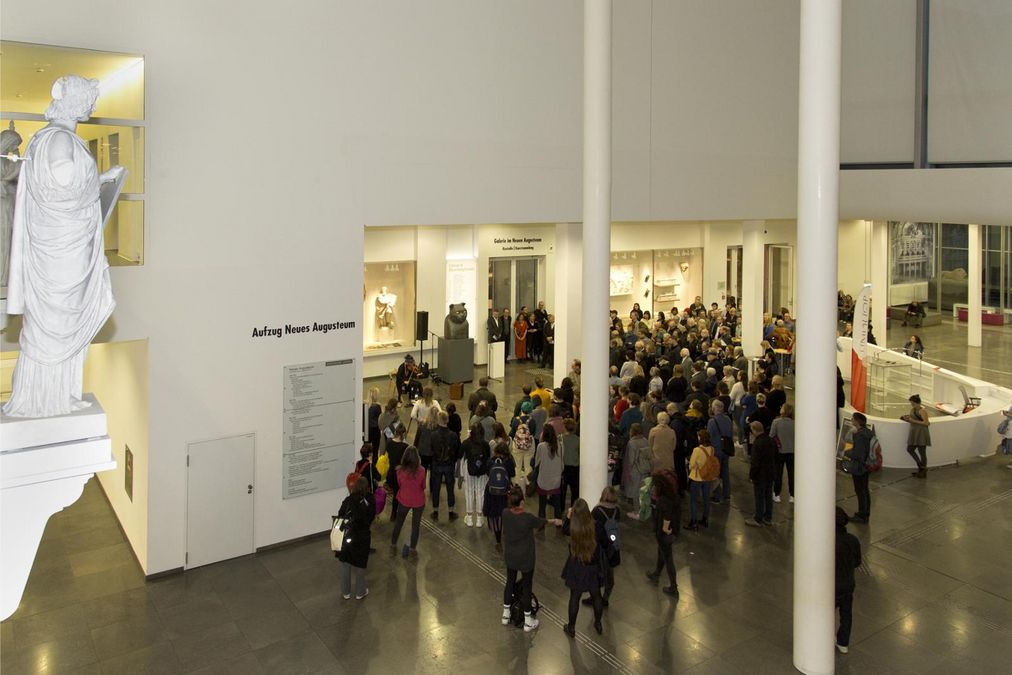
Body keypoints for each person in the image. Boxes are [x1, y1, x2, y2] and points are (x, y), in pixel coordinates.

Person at [4, 75, 123, 419]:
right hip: (62, 251)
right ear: (77, 102)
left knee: (58, 325)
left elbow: (62, 187)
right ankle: (43, 400)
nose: (92, 106)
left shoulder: (50, 139)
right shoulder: (59, 141)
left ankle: (60, 396)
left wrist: (100, 179)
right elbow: (63, 192)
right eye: (89, 99)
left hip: (60, 246)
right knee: (58, 323)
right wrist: (93, 186)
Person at [502, 486, 559, 632]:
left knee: (510, 581)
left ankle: (506, 614)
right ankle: (528, 621)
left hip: (510, 556)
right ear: (521, 502)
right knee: (527, 587)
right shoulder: (527, 518)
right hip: (526, 558)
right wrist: (555, 521)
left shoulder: (505, 514)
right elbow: (542, 521)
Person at [561, 499, 606, 637]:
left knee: (574, 596)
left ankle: (571, 627)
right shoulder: (596, 526)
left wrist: (568, 517)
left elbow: (564, 529)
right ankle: (598, 623)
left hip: (577, 567)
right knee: (597, 596)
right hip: (593, 567)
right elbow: (604, 542)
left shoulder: (573, 528)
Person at [336, 476, 376, 599]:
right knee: (360, 564)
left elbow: (340, 515)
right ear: (367, 488)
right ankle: (360, 592)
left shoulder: (348, 500)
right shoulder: (370, 500)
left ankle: (346, 592)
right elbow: (370, 518)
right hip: (363, 537)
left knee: (346, 563)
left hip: (348, 537)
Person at [645, 470, 680, 597]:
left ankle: (674, 587)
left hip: (664, 534)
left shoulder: (663, 501)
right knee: (662, 553)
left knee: (668, 558)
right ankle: (656, 574)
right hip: (673, 533)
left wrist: (665, 528)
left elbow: (666, 516)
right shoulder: (674, 497)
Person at [835, 507, 862, 653]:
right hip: (848, 583)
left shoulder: (827, 542)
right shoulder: (853, 540)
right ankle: (843, 642)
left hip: (831, 585)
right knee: (846, 614)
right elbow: (857, 562)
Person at [391, 446, 426, 557]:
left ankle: (393, 544)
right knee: (416, 525)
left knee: (399, 523)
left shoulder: (399, 471)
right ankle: (412, 548)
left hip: (404, 500)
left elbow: (400, 484)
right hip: (418, 501)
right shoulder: (422, 470)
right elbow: (423, 486)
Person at [589, 487, 621, 607]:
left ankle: (595, 597)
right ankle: (606, 597)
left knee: (596, 572)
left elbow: (591, 527)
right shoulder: (617, 510)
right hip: (612, 545)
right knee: (609, 573)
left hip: (599, 547)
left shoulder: (597, 510)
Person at [484, 441, 516, 549]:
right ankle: (507, 531)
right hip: (505, 492)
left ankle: (498, 540)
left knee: (495, 514)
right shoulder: (509, 461)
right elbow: (512, 474)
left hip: (492, 492)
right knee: (505, 511)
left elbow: (488, 473)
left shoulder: (491, 461)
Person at [429, 411, 461, 519]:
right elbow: (456, 449)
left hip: (437, 464)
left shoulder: (433, 435)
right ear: (447, 420)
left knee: (436, 487)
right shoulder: (453, 435)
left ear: (439, 421)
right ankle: (451, 511)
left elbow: (431, 449)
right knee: (450, 487)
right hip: (449, 464)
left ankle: (435, 511)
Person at [843, 412, 873, 523]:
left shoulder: (860, 436)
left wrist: (847, 452)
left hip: (860, 467)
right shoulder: (868, 432)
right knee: (865, 490)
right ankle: (866, 513)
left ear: (857, 421)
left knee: (860, 490)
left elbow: (857, 454)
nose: (851, 421)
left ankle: (862, 515)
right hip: (867, 466)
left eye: (853, 419)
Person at [746, 421, 776, 527]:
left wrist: (751, 475)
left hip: (760, 475)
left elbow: (755, 462)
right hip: (770, 473)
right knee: (768, 496)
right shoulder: (770, 440)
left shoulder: (757, 443)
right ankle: (768, 517)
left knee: (759, 496)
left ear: (754, 430)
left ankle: (758, 518)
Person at [461, 424, 490, 528]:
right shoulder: (485, 444)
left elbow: (460, 455)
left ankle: (469, 517)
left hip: (469, 469)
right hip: (482, 471)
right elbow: (488, 457)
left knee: (469, 491)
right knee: (480, 492)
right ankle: (479, 518)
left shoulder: (466, 443)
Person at [687, 429, 716, 530]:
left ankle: (693, 522)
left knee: (694, 500)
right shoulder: (712, 449)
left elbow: (691, 465)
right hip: (707, 477)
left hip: (697, 477)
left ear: (700, 438)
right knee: (706, 499)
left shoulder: (697, 450)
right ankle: (705, 519)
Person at [706, 400, 734, 504]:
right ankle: (727, 494)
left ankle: (717, 496)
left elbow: (708, 436)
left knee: (715, 473)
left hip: (716, 450)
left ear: (714, 409)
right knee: (725, 472)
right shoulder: (728, 419)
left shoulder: (712, 421)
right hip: (726, 449)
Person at [534, 425, 564, 519]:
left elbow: (536, 463)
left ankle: (541, 522)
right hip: (556, 481)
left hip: (543, 480)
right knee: (557, 504)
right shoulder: (560, 446)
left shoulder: (541, 446)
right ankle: (558, 522)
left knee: (542, 505)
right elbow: (562, 464)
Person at [769, 404, 795, 504]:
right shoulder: (795, 423)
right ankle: (792, 495)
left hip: (779, 451)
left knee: (778, 473)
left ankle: (776, 494)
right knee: (791, 474)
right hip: (792, 452)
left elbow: (771, 436)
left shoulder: (776, 422)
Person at [383, 424, 408, 522]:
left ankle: (393, 514)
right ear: (403, 434)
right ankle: (395, 513)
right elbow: (406, 462)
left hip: (390, 473)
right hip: (399, 474)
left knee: (394, 492)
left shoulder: (389, 443)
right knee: (397, 495)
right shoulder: (405, 446)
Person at [623, 423, 649, 517]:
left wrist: (628, 472)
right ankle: (644, 511)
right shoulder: (645, 440)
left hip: (635, 471)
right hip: (645, 469)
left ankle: (637, 512)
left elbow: (631, 460)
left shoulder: (632, 443)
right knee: (643, 491)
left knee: (635, 492)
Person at [902, 394, 931, 478]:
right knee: (910, 449)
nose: (912, 405)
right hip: (915, 432)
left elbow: (926, 423)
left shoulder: (922, 411)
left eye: (913, 403)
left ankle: (922, 471)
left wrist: (912, 420)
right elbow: (913, 420)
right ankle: (921, 467)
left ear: (917, 403)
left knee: (922, 452)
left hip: (921, 433)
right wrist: (907, 419)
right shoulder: (913, 409)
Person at [559, 418, 581, 508]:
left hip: (563, 468)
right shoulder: (578, 439)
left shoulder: (561, 439)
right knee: (575, 491)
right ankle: (574, 508)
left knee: (562, 490)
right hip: (575, 468)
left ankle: (561, 509)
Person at [366, 387, 382, 463]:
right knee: (375, 451)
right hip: (375, 431)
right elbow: (380, 420)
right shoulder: (377, 407)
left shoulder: (365, 406)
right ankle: (374, 466)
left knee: (366, 450)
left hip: (366, 430)